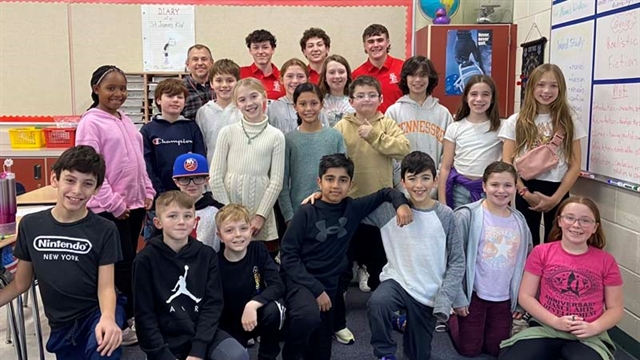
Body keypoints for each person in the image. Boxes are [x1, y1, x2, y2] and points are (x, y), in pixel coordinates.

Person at [280, 153, 413, 360]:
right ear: (319, 181)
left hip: (330, 286)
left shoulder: (353, 208)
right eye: (329, 179)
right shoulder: (306, 212)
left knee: (321, 349)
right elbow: (288, 256)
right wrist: (316, 290)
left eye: (343, 180)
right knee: (307, 318)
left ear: (350, 184)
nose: (335, 185)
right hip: (302, 281)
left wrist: (401, 204)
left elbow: (386, 192)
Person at [0, 145, 125, 360]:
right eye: (70, 180)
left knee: (104, 350)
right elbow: (22, 283)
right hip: (62, 325)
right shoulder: (31, 225)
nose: (77, 191)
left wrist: (107, 317)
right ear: (54, 179)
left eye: (87, 184)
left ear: (96, 189)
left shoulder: (105, 230)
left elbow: (106, 287)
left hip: (95, 313)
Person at [76, 65, 155, 345]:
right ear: (96, 89)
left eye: (123, 88)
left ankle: (126, 317)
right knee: (117, 266)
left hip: (133, 207)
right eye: (111, 88)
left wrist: (147, 191)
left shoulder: (125, 119)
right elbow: (90, 168)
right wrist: (113, 203)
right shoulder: (91, 122)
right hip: (110, 210)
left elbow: (138, 161)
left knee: (129, 262)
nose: (118, 93)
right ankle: (118, 322)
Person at [367, 151, 465, 360]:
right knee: (378, 302)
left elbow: (457, 260)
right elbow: (353, 208)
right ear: (403, 182)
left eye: (425, 178)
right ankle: (385, 354)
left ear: (435, 180)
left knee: (418, 354)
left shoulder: (445, 215)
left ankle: (404, 322)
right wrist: (324, 197)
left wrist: (446, 298)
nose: (419, 185)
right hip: (397, 281)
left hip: (428, 292)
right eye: (412, 178)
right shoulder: (387, 212)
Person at [499, 197, 624, 360]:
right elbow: (525, 296)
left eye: (585, 220)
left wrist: (594, 327)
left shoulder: (606, 261)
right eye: (570, 218)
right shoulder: (541, 252)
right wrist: (555, 321)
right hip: (546, 326)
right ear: (559, 221)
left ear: (595, 227)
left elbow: (616, 309)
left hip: (587, 334)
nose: (576, 225)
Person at [133, 191, 249, 360]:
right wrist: (161, 353)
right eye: (172, 216)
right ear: (158, 222)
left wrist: (198, 351)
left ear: (194, 221)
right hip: (165, 339)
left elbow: (213, 304)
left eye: (187, 216)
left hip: (201, 333)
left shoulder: (207, 255)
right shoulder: (145, 260)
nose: (181, 222)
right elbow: (144, 315)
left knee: (237, 355)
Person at [334, 75, 410, 295]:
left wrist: (375, 136)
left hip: (380, 201)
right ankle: (341, 298)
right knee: (346, 250)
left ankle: (381, 299)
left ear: (380, 98)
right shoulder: (341, 126)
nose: (366, 100)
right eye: (360, 96)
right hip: (351, 201)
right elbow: (335, 161)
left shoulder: (386, 123)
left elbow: (404, 148)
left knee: (380, 254)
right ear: (351, 101)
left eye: (371, 95)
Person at [448, 161, 533, 357]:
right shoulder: (467, 216)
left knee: (496, 349)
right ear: (484, 186)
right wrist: (457, 298)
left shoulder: (519, 221)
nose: (501, 190)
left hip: (504, 297)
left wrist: (521, 301)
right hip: (474, 296)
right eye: (495, 185)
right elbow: (453, 259)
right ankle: (451, 320)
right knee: (470, 349)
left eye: (508, 185)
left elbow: (527, 264)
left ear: (514, 188)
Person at [499, 63, 586, 245]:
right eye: (541, 85)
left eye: (553, 85)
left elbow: (575, 165)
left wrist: (556, 198)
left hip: (558, 188)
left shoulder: (569, 121)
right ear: (531, 87)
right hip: (525, 188)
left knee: (556, 243)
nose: (546, 91)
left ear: (561, 89)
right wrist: (523, 191)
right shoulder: (516, 121)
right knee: (528, 241)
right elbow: (507, 161)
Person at [209, 78, 285, 249]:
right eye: (242, 100)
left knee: (260, 264)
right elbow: (215, 177)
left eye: (254, 96)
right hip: (228, 209)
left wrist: (260, 216)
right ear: (236, 104)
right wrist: (229, 215)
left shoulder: (276, 136)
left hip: (260, 211)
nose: (249, 103)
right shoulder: (227, 133)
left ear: (264, 97)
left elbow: (276, 181)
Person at [216, 204, 285, 360]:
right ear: (219, 236)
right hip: (230, 321)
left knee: (274, 309)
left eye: (243, 228)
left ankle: (267, 356)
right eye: (229, 230)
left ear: (251, 230)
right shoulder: (215, 263)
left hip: (256, 313)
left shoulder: (258, 250)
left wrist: (253, 304)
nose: (238, 235)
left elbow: (277, 285)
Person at [141, 78, 206, 241]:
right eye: (170, 96)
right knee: (156, 243)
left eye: (180, 97)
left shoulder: (191, 127)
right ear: (158, 100)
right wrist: (161, 194)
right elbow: (146, 167)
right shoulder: (148, 130)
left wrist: (189, 191)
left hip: (187, 197)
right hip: (159, 198)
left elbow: (199, 161)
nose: (175, 100)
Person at [278, 82, 346, 224]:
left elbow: (345, 175)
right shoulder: (289, 140)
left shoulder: (334, 136)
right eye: (303, 104)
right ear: (295, 106)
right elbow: (282, 182)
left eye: (314, 103)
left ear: (322, 104)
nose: (309, 108)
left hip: (332, 211)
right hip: (299, 213)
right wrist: (289, 216)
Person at [385, 56, 453, 192]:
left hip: (434, 188)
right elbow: (388, 154)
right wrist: (400, 183)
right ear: (405, 78)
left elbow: (448, 156)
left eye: (422, 75)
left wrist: (436, 183)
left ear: (430, 79)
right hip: (402, 188)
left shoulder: (443, 113)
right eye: (412, 75)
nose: (417, 80)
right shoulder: (394, 112)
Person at [438, 75, 503, 209]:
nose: (479, 99)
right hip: (459, 190)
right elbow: (445, 167)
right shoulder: (455, 128)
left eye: (485, 94)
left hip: (489, 191)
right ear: (466, 98)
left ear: (492, 99)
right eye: (474, 94)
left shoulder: (502, 127)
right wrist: (442, 201)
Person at [173, 152, 225, 251]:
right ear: (176, 182)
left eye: (197, 178)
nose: (192, 184)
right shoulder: (169, 210)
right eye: (185, 179)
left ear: (206, 180)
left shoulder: (220, 211)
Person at [196, 59, 243, 164]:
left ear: (238, 83)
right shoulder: (203, 112)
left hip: (239, 168)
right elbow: (202, 145)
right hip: (212, 167)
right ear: (211, 84)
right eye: (219, 80)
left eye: (230, 80)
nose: (224, 85)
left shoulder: (244, 110)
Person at [267, 58, 330, 134]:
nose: (295, 81)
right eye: (290, 76)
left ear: (308, 80)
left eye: (300, 76)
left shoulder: (316, 108)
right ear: (281, 80)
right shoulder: (272, 108)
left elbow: (326, 134)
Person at [352, 24, 404, 113]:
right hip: (367, 125)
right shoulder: (356, 75)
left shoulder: (403, 68)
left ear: (387, 43)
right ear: (365, 45)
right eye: (371, 41)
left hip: (398, 125)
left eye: (380, 40)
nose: (375, 45)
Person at [240, 29, 285, 100]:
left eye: (265, 47)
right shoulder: (240, 73)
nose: (260, 51)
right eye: (256, 48)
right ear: (250, 51)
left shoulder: (283, 78)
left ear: (272, 49)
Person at [318, 54, 354, 127]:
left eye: (341, 72)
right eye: (332, 72)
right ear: (325, 77)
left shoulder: (356, 100)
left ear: (347, 75)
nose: (337, 76)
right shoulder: (317, 101)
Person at [182, 44, 215, 120]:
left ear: (212, 63)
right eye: (195, 59)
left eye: (204, 59)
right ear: (187, 64)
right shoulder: (180, 89)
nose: (200, 63)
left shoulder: (220, 87)